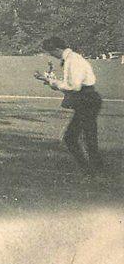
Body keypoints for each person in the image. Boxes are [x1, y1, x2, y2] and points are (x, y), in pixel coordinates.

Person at [36, 37, 104, 176]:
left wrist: (52, 82)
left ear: (56, 49)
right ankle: (94, 169)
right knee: (86, 136)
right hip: (87, 98)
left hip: (86, 99)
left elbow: (74, 86)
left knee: (74, 137)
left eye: (50, 52)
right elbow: (71, 85)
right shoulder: (72, 58)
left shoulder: (73, 60)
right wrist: (49, 81)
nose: (51, 56)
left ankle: (92, 170)